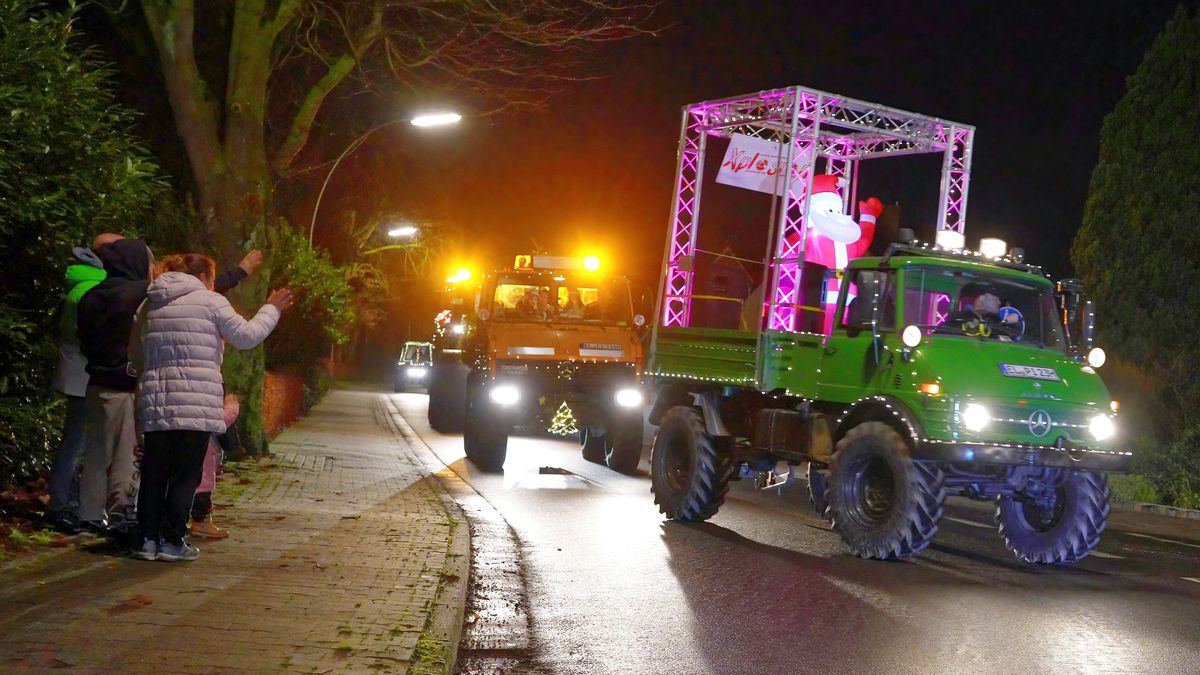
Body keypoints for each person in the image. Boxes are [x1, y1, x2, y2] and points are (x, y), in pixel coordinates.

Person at [131, 253, 292, 561]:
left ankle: (147, 540)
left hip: (155, 399)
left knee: (154, 471)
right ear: (204, 276)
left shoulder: (149, 303)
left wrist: (151, 374)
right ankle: (173, 541)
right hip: (196, 401)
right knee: (185, 473)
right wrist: (272, 308)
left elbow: (136, 350)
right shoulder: (209, 301)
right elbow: (246, 336)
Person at [76, 239, 154, 533]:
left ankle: (89, 513)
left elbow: (81, 337)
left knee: (96, 452)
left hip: (96, 380)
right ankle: (121, 509)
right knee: (127, 450)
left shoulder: (90, 296)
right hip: (127, 383)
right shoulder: (141, 294)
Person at [46, 245, 108, 531]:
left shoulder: (78, 287)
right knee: (78, 442)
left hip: (75, 374)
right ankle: (63, 505)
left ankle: (67, 503)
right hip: (85, 375)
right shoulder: (91, 292)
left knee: (76, 440)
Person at [189, 393, 240, 539]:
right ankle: (201, 522)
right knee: (203, 486)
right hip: (204, 448)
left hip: (193, 445)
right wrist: (232, 407)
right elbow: (219, 421)